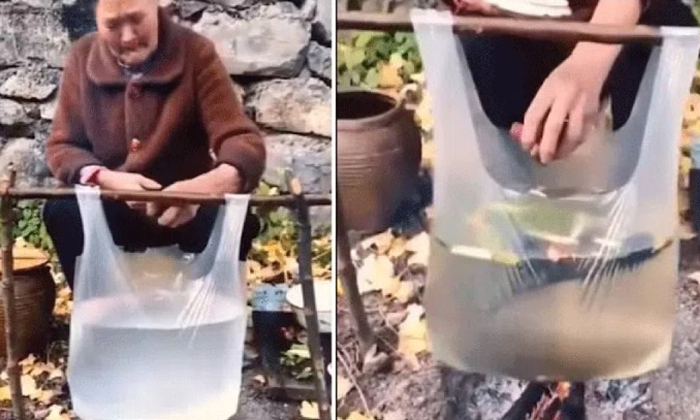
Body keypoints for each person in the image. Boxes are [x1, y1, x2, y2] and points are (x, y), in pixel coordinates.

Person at [444, 0, 699, 418]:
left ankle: (611, 285)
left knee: (624, 188)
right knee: (489, 74)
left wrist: (590, 59)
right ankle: (543, 278)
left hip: (630, 30)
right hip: (514, 35)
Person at [42, 0, 266, 290]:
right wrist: (107, 179)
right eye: (112, 25)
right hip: (112, 212)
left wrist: (199, 191)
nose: (128, 37)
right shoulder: (83, 57)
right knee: (62, 211)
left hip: (187, 215)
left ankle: (200, 320)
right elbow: (62, 147)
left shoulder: (195, 53)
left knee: (236, 219)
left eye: (137, 19)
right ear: (97, 20)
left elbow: (242, 141)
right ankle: (105, 316)